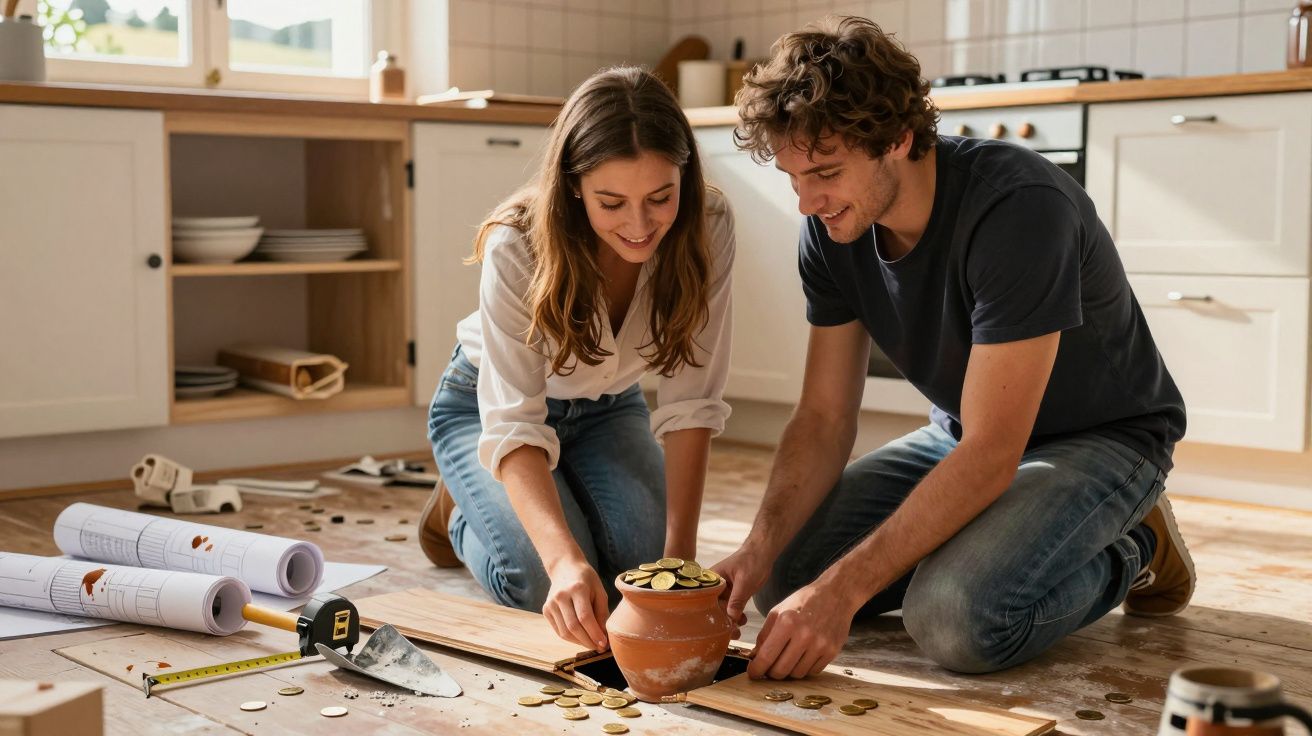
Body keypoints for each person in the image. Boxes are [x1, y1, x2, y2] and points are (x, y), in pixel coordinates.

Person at [712, 16, 1193, 679]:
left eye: (824, 171)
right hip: (963, 435)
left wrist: (843, 592)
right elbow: (824, 418)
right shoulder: (832, 231)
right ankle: (1007, 536)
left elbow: (993, 453)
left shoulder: (1017, 209)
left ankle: (1136, 543)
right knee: (786, 573)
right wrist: (754, 550)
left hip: (1104, 439)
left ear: (898, 139)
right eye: (794, 176)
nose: (806, 201)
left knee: (954, 619)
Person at [421, 66, 735, 653]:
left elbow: (691, 401)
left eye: (660, 197)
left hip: (607, 407)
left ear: (684, 180)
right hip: (484, 408)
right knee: (547, 579)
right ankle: (457, 511)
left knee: (638, 573)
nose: (640, 226)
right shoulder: (517, 241)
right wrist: (564, 561)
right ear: (572, 185)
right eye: (611, 202)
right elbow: (514, 420)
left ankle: (536, 496)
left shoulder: (708, 226)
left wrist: (681, 568)